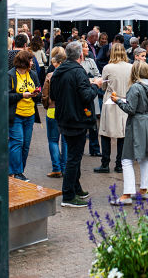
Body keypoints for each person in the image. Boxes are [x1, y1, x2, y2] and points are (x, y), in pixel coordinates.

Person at [51, 41, 102, 207]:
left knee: (75, 155)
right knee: (74, 157)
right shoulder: (78, 72)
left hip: (63, 117)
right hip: (77, 120)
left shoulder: (58, 71)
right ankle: (68, 195)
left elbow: (53, 94)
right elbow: (86, 96)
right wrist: (95, 85)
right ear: (81, 55)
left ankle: (76, 187)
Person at [111, 60, 148, 205]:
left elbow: (130, 109)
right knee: (143, 158)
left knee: (126, 159)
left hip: (136, 123)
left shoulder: (135, 87)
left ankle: (127, 194)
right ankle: (145, 189)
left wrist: (118, 101)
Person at [96, 44, 132, 174]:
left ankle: (105, 163)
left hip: (111, 100)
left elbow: (104, 86)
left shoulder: (108, 68)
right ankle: (119, 164)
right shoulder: (131, 67)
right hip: (125, 100)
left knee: (106, 132)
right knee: (122, 134)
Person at [7, 51, 41, 182]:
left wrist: (35, 93)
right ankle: (17, 172)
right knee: (17, 142)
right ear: (24, 62)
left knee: (26, 145)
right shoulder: (10, 75)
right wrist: (22, 95)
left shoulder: (32, 74)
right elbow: (6, 96)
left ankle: (17, 171)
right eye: (31, 61)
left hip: (30, 114)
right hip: (16, 115)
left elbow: (38, 87)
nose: (33, 63)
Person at [42, 46, 68, 178]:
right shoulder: (70, 75)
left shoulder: (50, 75)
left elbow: (45, 95)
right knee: (65, 140)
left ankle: (56, 168)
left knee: (53, 140)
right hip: (66, 110)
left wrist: (46, 105)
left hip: (52, 109)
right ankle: (65, 168)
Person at [80, 41, 103, 157]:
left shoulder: (91, 61)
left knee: (93, 123)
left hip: (92, 97)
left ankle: (95, 149)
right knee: (83, 123)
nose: (87, 49)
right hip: (82, 99)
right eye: (85, 47)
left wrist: (94, 80)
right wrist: (90, 80)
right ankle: (80, 148)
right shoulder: (77, 63)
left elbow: (98, 75)